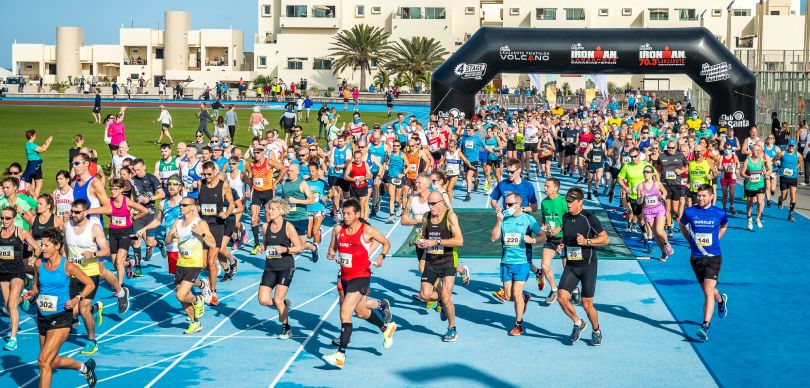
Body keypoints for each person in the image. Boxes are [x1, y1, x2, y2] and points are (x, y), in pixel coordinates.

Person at [323, 198, 396, 369]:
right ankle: (386, 328)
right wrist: (332, 253)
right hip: (345, 276)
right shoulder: (338, 229)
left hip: (361, 277)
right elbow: (333, 248)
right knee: (362, 312)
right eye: (343, 213)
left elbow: (386, 242)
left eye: (349, 213)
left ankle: (340, 355)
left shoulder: (367, 230)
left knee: (345, 311)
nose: (345, 216)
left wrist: (381, 256)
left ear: (357, 214)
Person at [23, 229, 97, 388]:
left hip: (62, 316)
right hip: (43, 316)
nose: (42, 248)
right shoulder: (38, 264)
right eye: (41, 244)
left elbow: (89, 284)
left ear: (57, 246)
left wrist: (77, 299)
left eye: (46, 245)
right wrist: (31, 293)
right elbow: (36, 285)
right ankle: (85, 368)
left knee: (43, 362)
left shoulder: (67, 266)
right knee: (52, 361)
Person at [556, 187, 610, 346]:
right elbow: (566, 237)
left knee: (587, 304)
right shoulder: (565, 217)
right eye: (567, 201)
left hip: (588, 265)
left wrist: (587, 242)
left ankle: (596, 330)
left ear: (580, 202)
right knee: (561, 298)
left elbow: (605, 239)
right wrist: (561, 245)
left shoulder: (589, 218)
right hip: (572, 265)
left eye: (571, 202)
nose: (569, 204)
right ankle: (578, 323)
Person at [679, 184, 729, 341]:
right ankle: (721, 301)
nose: (700, 198)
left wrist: (716, 239)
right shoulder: (690, 211)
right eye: (698, 196)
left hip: (713, 256)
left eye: (703, 196)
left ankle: (705, 326)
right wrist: (690, 240)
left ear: (711, 196)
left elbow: (724, 225)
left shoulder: (719, 213)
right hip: (696, 257)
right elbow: (681, 225)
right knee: (709, 290)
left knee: (708, 291)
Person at [489, 193, 543, 336]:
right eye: (505, 204)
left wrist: (532, 241)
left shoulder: (528, 219)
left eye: (510, 205)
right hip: (506, 262)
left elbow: (542, 236)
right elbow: (493, 238)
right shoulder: (504, 219)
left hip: (522, 262)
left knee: (516, 292)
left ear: (519, 204)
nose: (506, 207)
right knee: (508, 296)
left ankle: (518, 325)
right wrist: (498, 221)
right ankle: (524, 299)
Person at [65, 199, 112, 355]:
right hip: (73, 273)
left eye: (77, 212)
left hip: (89, 274)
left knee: (83, 309)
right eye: (72, 211)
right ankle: (95, 308)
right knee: (73, 310)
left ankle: (91, 340)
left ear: (85, 212)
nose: (73, 214)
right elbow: (65, 248)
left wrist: (93, 254)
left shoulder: (94, 228)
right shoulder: (67, 226)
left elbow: (106, 250)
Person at [415, 191, 464, 341]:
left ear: (441, 202)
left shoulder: (450, 217)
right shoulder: (426, 217)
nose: (430, 207)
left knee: (446, 296)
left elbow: (459, 241)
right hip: (431, 260)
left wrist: (436, 242)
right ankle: (442, 301)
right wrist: (421, 241)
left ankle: (452, 328)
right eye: (428, 204)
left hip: (448, 260)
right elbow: (423, 235)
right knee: (424, 295)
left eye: (433, 204)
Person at [165, 196, 215, 334]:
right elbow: (166, 241)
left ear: (193, 207)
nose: (181, 207)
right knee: (181, 296)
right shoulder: (178, 222)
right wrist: (171, 236)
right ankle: (195, 322)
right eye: (180, 205)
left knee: (181, 295)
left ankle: (197, 299)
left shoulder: (200, 223)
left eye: (185, 205)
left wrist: (202, 234)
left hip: (194, 263)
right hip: (181, 262)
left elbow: (213, 243)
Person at [257, 199, 303, 339]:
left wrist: (285, 249)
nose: (270, 211)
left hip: (285, 266)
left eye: (273, 209)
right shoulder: (266, 227)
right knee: (263, 300)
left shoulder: (288, 227)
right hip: (270, 267)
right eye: (269, 208)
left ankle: (286, 328)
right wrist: (262, 248)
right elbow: (265, 243)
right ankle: (283, 305)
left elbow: (299, 247)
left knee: (277, 299)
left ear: (281, 211)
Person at [0, 207, 40, 350]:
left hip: (17, 271)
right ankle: (26, 297)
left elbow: (37, 247)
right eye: (2, 218)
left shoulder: (21, 232)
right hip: (2, 272)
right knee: (9, 304)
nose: (4, 221)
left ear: (14, 218)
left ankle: (13, 339)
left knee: (11, 305)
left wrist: (33, 257)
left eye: (8, 218)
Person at [198, 161, 236, 304]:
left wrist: (226, 213)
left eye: (209, 174)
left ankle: (213, 293)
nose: (206, 177)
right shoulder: (200, 184)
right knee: (204, 264)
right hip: (203, 226)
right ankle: (213, 272)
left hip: (216, 227)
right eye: (204, 174)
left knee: (211, 260)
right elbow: (198, 201)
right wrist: (196, 207)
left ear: (215, 171)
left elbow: (232, 203)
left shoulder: (223, 185)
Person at [637, 166, 674, 261]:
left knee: (659, 230)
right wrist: (641, 197)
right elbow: (639, 202)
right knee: (656, 234)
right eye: (644, 172)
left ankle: (667, 244)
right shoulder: (640, 186)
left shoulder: (657, 184)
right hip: (648, 212)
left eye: (648, 172)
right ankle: (663, 253)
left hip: (659, 210)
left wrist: (663, 196)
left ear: (652, 173)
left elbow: (665, 192)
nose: (645, 173)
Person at [538, 178, 566, 303]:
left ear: (556, 188)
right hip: (550, 238)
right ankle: (554, 289)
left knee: (567, 268)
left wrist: (559, 228)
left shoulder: (563, 201)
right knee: (544, 265)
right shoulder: (544, 203)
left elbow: (571, 218)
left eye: (547, 186)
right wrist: (543, 227)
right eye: (544, 186)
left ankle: (574, 289)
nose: (545, 188)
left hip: (564, 238)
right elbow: (544, 218)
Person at [740, 144, 768, 230]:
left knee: (760, 202)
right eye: (756, 150)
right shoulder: (747, 161)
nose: (757, 152)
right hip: (750, 185)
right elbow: (742, 173)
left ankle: (757, 218)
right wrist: (747, 177)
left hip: (760, 184)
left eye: (759, 150)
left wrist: (765, 174)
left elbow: (763, 168)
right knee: (750, 203)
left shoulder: (762, 160)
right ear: (752, 151)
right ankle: (749, 219)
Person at [775, 140, 803, 222]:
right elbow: (774, 159)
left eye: (792, 146)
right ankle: (780, 199)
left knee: (793, 194)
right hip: (784, 177)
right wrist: (779, 167)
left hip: (793, 177)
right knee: (784, 196)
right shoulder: (783, 153)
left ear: (795, 147)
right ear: (788, 146)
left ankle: (791, 214)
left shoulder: (797, 154)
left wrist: (796, 167)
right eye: (790, 146)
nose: (791, 147)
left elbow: (801, 160)